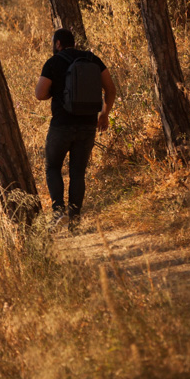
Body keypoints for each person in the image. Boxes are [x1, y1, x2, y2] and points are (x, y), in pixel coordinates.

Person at [35, 28, 117, 230]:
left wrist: (53, 94)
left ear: (58, 44)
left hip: (61, 126)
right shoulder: (92, 59)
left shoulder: (53, 62)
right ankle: (75, 221)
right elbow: (110, 89)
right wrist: (104, 115)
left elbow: (39, 93)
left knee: (53, 167)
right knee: (78, 173)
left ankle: (58, 212)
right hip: (88, 125)